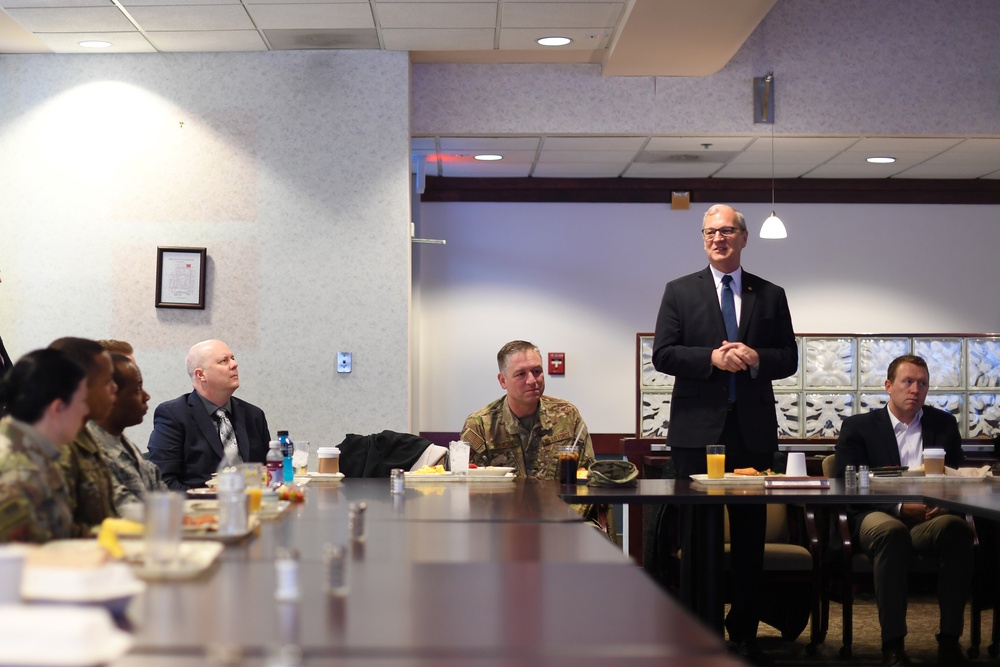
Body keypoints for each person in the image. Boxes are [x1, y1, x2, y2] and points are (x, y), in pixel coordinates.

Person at [652, 204, 797, 664]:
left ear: (743, 238)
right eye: (710, 232)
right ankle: (700, 629)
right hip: (697, 433)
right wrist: (710, 360)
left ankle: (746, 632)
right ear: (703, 238)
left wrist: (756, 358)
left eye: (727, 230)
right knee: (698, 538)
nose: (719, 238)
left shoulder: (770, 295)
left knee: (750, 538)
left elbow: (788, 358)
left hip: (751, 433)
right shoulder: (679, 291)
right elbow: (664, 355)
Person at [834, 354, 972, 666]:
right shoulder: (859, 427)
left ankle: (950, 639)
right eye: (907, 381)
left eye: (922, 383)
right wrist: (897, 507)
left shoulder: (944, 424)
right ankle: (893, 644)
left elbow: (960, 476)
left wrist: (946, 501)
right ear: (888, 386)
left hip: (929, 517)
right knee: (892, 531)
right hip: (877, 515)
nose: (915, 389)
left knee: (957, 531)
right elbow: (846, 484)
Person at [461, 340, 595, 478]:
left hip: (557, 499)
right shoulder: (480, 425)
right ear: (503, 381)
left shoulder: (567, 416)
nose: (532, 380)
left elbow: (587, 475)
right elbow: (471, 485)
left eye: (537, 371)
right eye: (521, 374)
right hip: (502, 500)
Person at [148, 339, 271, 490]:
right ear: (201, 375)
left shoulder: (254, 415)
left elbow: (269, 472)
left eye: (232, 358)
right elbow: (162, 481)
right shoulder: (173, 415)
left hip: (254, 507)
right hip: (199, 509)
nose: (234, 364)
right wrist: (209, 501)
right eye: (224, 361)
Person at [0, 349, 88, 542]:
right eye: (82, 402)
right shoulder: (19, 471)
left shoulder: (37, 452)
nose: (86, 411)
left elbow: (60, 530)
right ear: (58, 408)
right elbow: (19, 559)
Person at [49, 337, 120, 534]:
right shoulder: (53, 446)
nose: (115, 388)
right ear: (80, 387)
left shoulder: (83, 433)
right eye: (108, 381)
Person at [88, 352, 168, 513]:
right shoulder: (93, 451)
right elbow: (126, 511)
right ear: (111, 394)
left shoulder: (124, 443)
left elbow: (164, 499)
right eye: (137, 389)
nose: (146, 396)